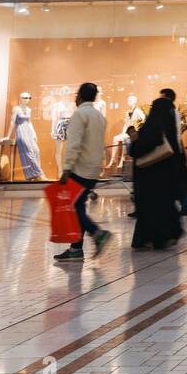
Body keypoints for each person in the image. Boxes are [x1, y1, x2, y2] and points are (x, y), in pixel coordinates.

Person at [53, 82, 112, 262]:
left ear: (79, 96)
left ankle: (97, 233)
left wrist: (67, 168)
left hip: (79, 169)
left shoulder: (79, 114)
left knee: (72, 207)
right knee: (79, 206)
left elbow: (74, 144)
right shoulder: (99, 116)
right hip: (93, 169)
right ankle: (76, 248)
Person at [129, 96, 185, 249]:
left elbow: (138, 150)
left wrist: (134, 140)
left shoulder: (151, 128)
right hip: (165, 181)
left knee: (149, 210)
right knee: (164, 208)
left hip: (148, 180)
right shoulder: (170, 132)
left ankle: (148, 238)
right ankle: (164, 236)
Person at [161, 87, 187, 215]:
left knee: (172, 180)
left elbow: (170, 134)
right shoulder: (173, 112)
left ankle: (185, 203)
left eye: (162, 97)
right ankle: (185, 203)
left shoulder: (170, 113)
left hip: (170, 151)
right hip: (174, 150)